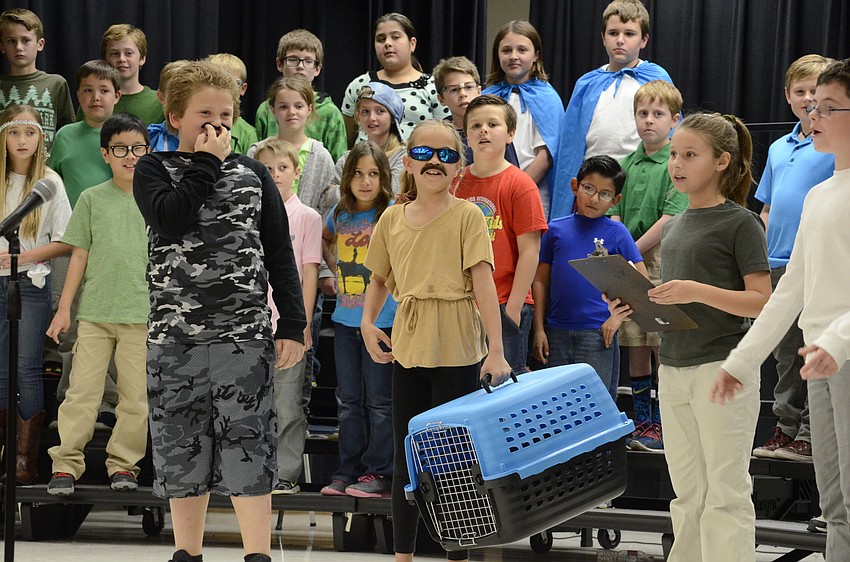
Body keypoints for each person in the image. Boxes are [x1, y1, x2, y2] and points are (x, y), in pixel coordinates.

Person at [133, 60, 306, 562]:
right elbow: (170, 219)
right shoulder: (152, 169)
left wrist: (292, 323)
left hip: (243, 337)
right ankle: (188, 553)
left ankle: (257, 555)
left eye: (226, 114)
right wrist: (206, 163)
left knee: (248, 447)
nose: (217, 124)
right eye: (204, 113)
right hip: (174, 339)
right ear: (174, 116)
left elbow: (279, 253)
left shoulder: (253, 174)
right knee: (182, 449)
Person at [360, 119, 512, 562]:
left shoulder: (468, 216)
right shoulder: (391, 217)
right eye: (424, 153)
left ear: (458, 170)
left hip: (458, 344)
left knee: (456, 455)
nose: (434, 162)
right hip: (410, 342)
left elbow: (484, 285)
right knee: (405, 454)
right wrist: (369, 324)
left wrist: (496, 351)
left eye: (446, 155)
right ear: (407, 162)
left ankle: (460, 550)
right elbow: (379, 278)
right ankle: (402, 554)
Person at [623, 112, 770, 562]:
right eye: (674, 155)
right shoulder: (675, 224)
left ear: (722, 161)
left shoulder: (741, 223)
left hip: (721, 366)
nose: (677, 164)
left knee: (725, 491)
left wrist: (693, 291)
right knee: (687, 493)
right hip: (674, 367)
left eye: (690, 155)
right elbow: (673, 306)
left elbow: (761, 300)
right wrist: (637, 304)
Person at [719, 58, 850, 562]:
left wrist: (835, 344)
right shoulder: (819, 195)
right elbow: (790, 290)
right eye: (812, 106)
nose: (813, 116)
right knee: (835, 501)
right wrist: (741, 360)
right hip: (821, 362)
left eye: (829, 108)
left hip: (839, 356)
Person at [45, 113, 150, 495]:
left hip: (142, 315)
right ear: (105, 153)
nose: (130, 155)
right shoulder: (91, 199)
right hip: (94, 315)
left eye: (138, 147)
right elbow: (78, 256)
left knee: (136, 399)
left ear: (148, 150)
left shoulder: (156, 200)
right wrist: (64, 308)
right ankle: (66, 464)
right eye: (120, 148)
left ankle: (124, 465)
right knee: (81, 394)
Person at [750, 54, 835, 463]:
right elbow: (766, 209)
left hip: (816, 263)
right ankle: (784, 427)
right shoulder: (779, 148)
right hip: (777, 262)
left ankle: (810, 432)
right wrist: (761, 260)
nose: (806, 99)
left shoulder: (833, 144)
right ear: (787, 96)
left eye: (814, 92)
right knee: (784, 352)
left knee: (811, 345)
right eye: (799, 92)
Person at [608, 79, 688, 452]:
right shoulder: (625, 164)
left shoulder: (676, 161)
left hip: (659, 258)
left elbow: (671, 217)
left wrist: (630, 251)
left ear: (674, 120)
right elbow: (613, 213)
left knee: (660, 339)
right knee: (636, 341)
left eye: (658, 114)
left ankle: (672, 422)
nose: (649, 121)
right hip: (627, 257)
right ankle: (645, 423)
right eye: (642, 113)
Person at [532, 155, 645, 401]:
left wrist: (616, 319)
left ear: (616, 200)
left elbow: (641, 283)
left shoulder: (617, 233)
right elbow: (540, 281)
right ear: (575, 186)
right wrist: (539, 329)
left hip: (598, 335)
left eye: (605, 194)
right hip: (556, 333)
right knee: (557, 406)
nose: (594, 199)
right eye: (589, 188)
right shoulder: (555, 230)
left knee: (597, 408)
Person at [320, 141, 397, 498]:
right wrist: (333, 269)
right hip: (346, 319)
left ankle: (379, 472)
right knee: (348, 400)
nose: (365, 182)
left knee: (380, 402)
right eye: (358, 174)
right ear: (347, 177)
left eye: (374, 174)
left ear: (384, 178)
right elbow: (325, 239)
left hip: (383, 322)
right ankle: (346, 470)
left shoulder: (393, 213)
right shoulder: (339, 214)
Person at [0, 104, 71, 483]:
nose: (22, 141)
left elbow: (65, 240)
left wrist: (20, 256)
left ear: (40, 138)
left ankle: (23, 460)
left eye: (29, 133)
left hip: (30, 282)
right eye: (14, 133)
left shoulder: (50, 182)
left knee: (26, 368)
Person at [552, 0, 673, 219]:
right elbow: (570, 146)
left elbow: (671, 135)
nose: (620, 40)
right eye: (613, 32)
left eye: (629, 34)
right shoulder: (587, 83)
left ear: (644, 39)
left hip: (639, 180)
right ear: (603, 37)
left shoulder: (656, 78)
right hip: (594, 183)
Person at [454, 95, 547, 374]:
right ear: (466, 136)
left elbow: (530, 252)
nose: (483, 130)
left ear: (510, 134)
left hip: (506, 301)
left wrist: (514, 308)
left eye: (492, 124)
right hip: (463, 306)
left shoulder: (520, 184)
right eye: (475, 125)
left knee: (502, 390)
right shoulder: (455, 183)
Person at [253, 138, 321, 495]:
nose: (275, 175)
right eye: (267, 168)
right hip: (249, 323)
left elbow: (309, 272)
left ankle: (285, 472)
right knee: (250, 401)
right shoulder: (249, 212)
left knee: (288, 402)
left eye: (282, 168)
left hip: (287, 325)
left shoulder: (307, 217)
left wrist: (303, 323)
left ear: (297, 172)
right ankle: (249, 471)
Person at [482, 20, 563, 216]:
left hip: (532, 191)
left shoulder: (548, 98)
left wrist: (516, 189)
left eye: (522, 50)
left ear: (536, 55)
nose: (513, 56)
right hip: (490, 190)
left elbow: (546, 155)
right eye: (506, 50)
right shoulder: (487, 97)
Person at [341, 12, 449, 146]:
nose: (387, 43)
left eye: (395, 37)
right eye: (381, 39)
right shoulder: (359, 85)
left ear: (412, 44)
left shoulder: (433, 86)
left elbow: (447, 137)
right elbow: (347, 137)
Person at [254, 29, 347, 161]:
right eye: (293, 60)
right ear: (280, 64)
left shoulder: (330, 113)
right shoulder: (265, 110)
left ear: (318, 69)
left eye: (308, 61)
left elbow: (339, 164)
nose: (300, 67)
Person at [249, 76, 335, 217]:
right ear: (272, 110)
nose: (291, 112)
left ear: (309, 109)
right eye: (283, 107)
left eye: (299, 106)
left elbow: (327, 206)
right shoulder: (256, 152)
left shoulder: (321, 156)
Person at [0, 8, 74, 151]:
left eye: (25, 40)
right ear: (2, 47)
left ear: (40, 44)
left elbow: (68, 134)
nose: (19, 47)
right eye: (11, 41)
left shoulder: (56, 84)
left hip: (45, 169)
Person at [50, 60, 120, 208]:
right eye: (88, 90)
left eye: (104, 90)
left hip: (115, 221)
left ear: (117, 96)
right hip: (73, 223)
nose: (96, 97)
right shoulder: (64, 136)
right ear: (78, 95)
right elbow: (52, 180)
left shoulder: (127, 137)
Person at [432, 55, 519, 167]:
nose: (463, 94)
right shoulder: (440, 133)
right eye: (454, 89)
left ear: (479, 91)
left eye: (468, 87)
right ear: (441, 99)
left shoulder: (495, 129)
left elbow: (512, 172)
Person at [333, 82, 406, 195]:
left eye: (380, 111)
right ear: (358, 117)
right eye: (365, 112)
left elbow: (392, 194)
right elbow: (328, 197)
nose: (372, 118)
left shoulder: (403, 158)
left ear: (392, 117)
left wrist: (351, 193)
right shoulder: (348, 158)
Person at [97, 24, 162, 126]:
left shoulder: (159, 102)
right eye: (115, 53)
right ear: (105, 59)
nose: (122, 59)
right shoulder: (94, 101)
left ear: (142, 58)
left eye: (129, 53)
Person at [205, 53, 259, 155]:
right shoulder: (197, 122)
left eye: (233, 83)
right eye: (217, 82)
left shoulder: (248, 134)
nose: (225, 89)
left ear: (243, 88)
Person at [147, 60, 189, 152]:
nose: (181, 101)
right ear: (161, 97)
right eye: (174, 95)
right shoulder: (149, 137)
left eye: (187, 95)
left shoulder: (210, 139)